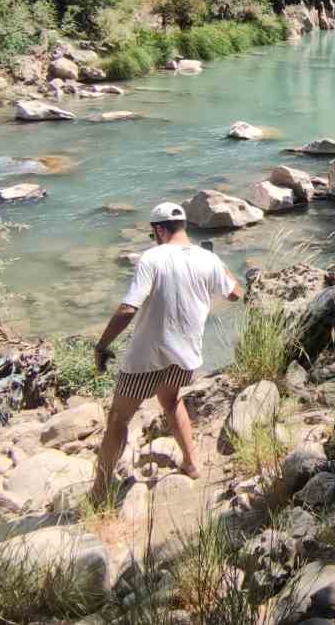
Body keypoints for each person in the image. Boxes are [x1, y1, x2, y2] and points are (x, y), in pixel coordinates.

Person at [90, 202, 242, 501]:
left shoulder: (152, 258)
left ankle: (100, 490)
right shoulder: (207, 258)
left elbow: (128, 308)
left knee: (119, 419)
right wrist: (221, 267)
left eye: (153, 233)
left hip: (146, 358)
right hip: (186, 357)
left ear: (159, 230)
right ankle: (191, 463)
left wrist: (102, 344)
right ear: (184, 227)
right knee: (171, 400)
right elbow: (236, 294)